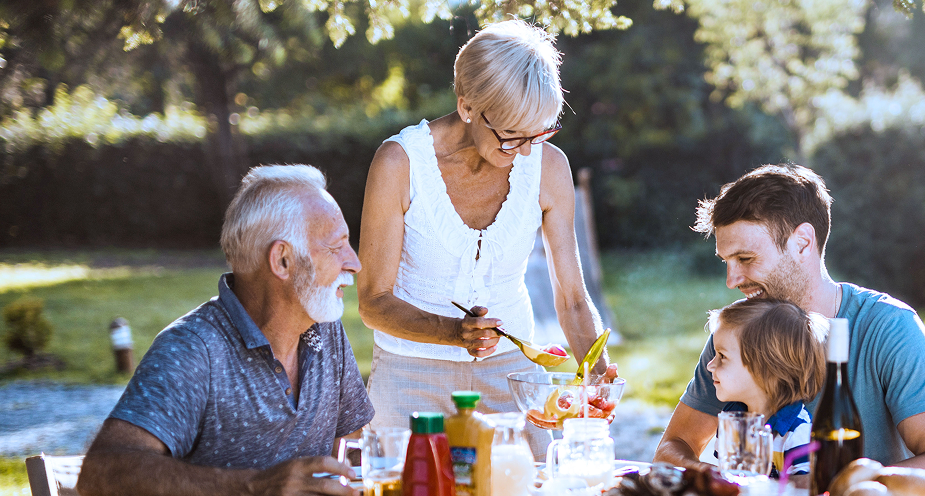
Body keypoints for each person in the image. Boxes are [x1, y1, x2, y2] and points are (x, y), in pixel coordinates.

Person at [357, 19, 612, 456]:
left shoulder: (548, 167)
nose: (528, 151)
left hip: (513, 379)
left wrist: (598, 374)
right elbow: (373, 301)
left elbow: (571, 296)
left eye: (541, 132)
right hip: (409, 376)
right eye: (512, 136)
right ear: (467, 106)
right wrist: (454, 332)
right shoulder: (399, 164)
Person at [654, 164, 925, 494]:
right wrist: (724, 482)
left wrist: (833, 486)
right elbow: (672, 448)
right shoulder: (739, 334)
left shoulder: (888, 327)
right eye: (726, 262)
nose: (732, 281)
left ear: (802, 242)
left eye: (745, 258)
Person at [76, 165, 372, 495]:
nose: (354, 262)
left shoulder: (327, 331)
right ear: (283, 260)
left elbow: (350, 454)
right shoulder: (194, 349)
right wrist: (253, 486)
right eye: (337, 246)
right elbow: (100, 471)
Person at [706, 298, 827, 480]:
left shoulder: (797, 433)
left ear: (767, 370)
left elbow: (804, 489)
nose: (710, 365)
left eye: (722, 356)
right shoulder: (732, 418)